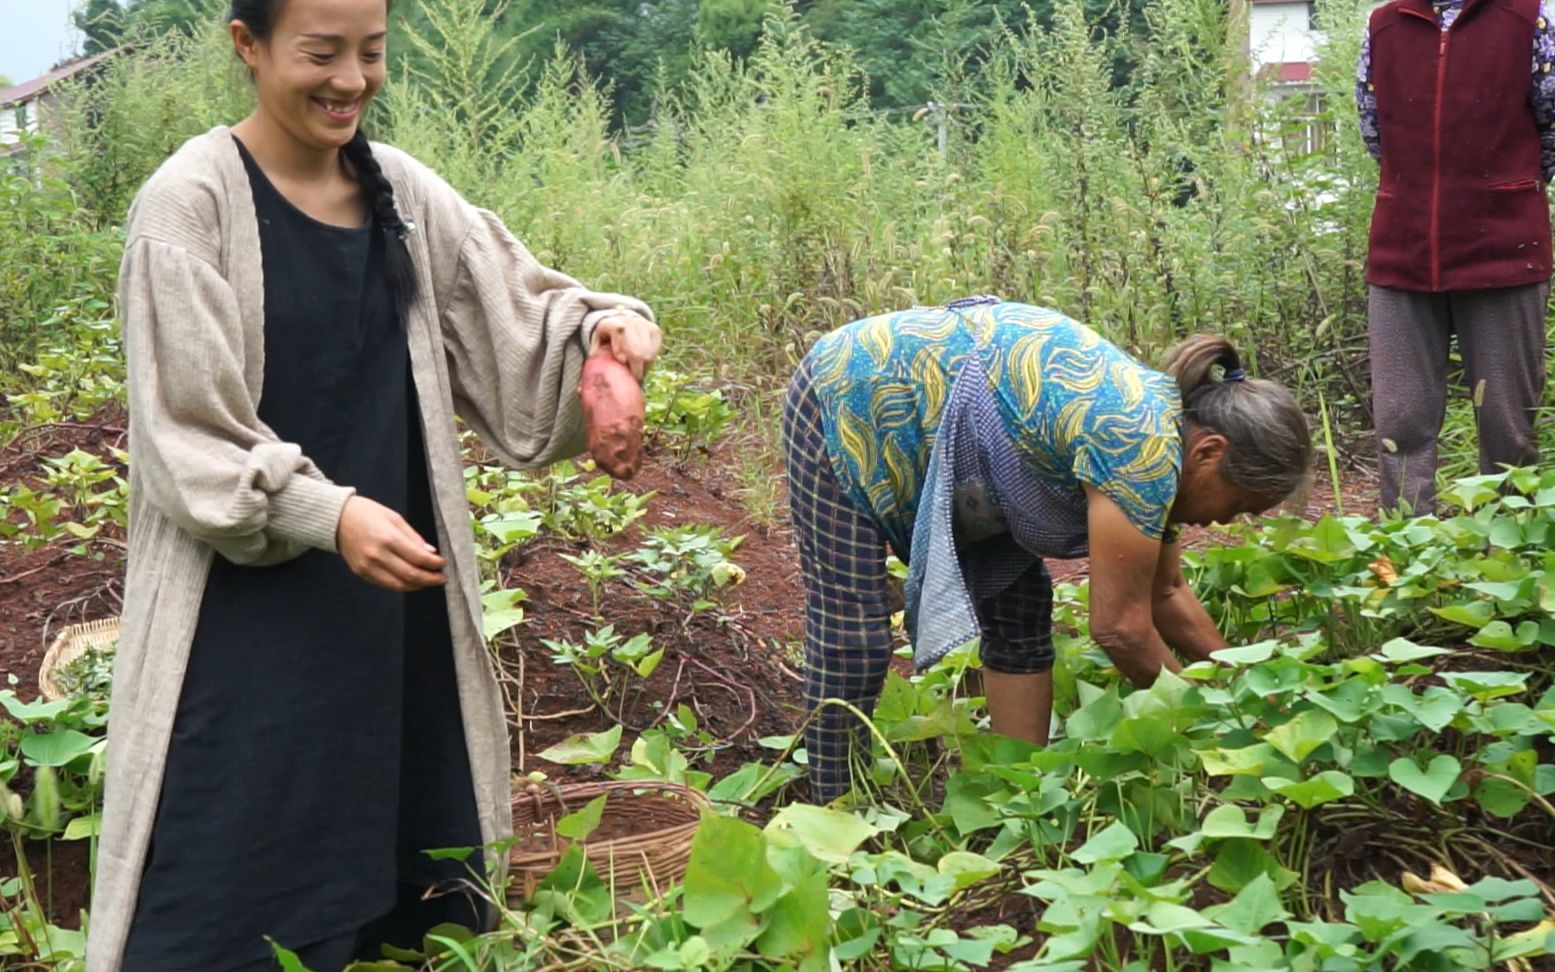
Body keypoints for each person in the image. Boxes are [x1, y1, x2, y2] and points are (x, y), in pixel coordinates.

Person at [88, 0, 660, 969]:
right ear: (247, 43)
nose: (350, 80)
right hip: (237, 637)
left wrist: (601, 339)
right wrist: (330, 511)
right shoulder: (188, 208)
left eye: (371, 52)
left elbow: (520, 315)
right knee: (218, 909)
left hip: (391, 632)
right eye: (320, 53)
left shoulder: (399, 193)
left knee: (401, 899)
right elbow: (188, 441)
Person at [783, 297, 1311, 803]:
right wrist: (1217, 722)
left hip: (958, 416)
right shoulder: (1140, 445)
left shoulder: (1165, 436)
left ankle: (1020, 797)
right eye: (1238, 503)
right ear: (1210, 452)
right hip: (849, 389)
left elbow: (1165, 591)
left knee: (1021, 614)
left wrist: (1243, 686)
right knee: (854, 633)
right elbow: (1120, 630)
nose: (1224, 520)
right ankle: (834, 805)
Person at [1356, 0, 1555, 514]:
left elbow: (1551, 126)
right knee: (1400, 426)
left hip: (1504, 252)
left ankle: (1505, 566)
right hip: (1402, 251)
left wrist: (1505, 191)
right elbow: (1375, 128)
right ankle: (1405, 559)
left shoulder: (1531, 17)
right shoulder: (1384, 24)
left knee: (1507, 427)